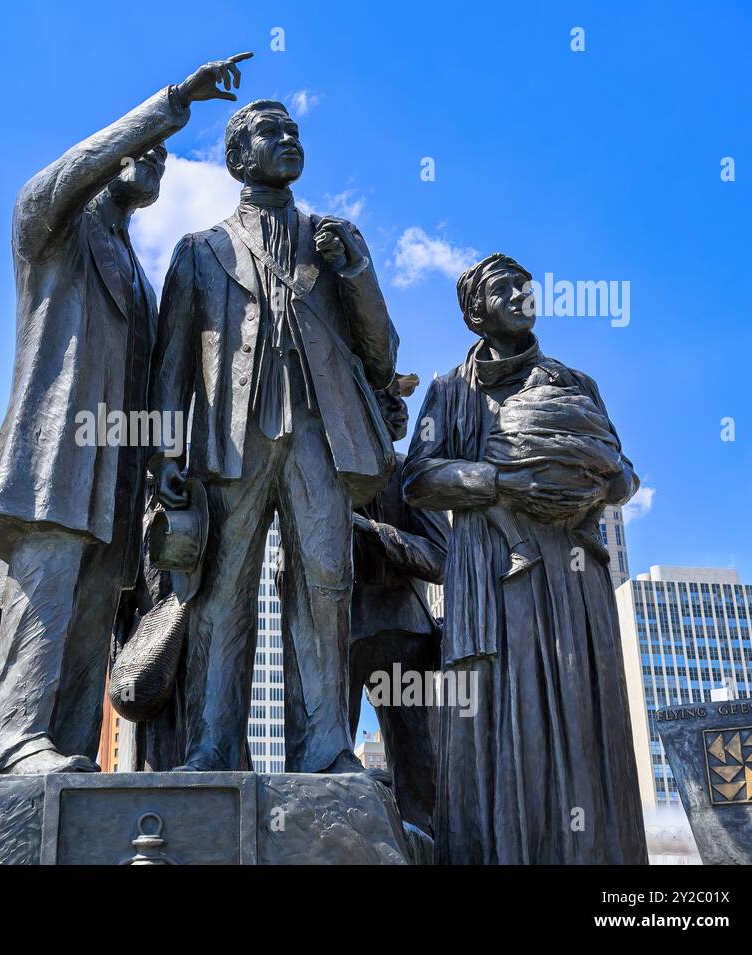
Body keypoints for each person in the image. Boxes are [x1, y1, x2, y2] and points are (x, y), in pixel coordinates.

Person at [0, 53, 255, 775]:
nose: (156, 162)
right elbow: (79, 166)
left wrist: (164, 463)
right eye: (145, 152)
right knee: (45, 590)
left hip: (120, 474)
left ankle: (61, 748)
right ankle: (10, 737)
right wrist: (171, 103)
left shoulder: (134, 265)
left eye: (164, 157)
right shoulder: (51, 228)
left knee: (95, 603)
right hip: (59, 455)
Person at [149, 99, 398, 773]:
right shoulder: (201, 250)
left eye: (293, 130)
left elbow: (382, 357)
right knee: (222, 589)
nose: (288, 139)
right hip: (231, 442)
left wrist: (357, 273)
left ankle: (323, 746)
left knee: (325, 582)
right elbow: (173, 365)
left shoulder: (335, 240)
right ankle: (214, 745)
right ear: (236, 157)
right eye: (269, 131)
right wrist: (166, 454)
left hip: (321, 436)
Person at [402, 253, 647, 864]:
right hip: (493, 573)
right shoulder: (451, 390)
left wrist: (592, 483)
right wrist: (503, 482)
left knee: (578, 701)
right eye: (501, 288)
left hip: (572, 570)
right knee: (501, 712)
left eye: (524, 285)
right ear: (475, 312)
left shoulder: (576, 384)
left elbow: (626, 477)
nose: (518, 294)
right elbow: (419, 481)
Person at [347, 373, 448, 835]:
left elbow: (443, 558)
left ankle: (426, 846)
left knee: (419, 772)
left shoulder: (409, 477)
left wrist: (377, 535)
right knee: (322, 767)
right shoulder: (330, 478)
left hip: (403, 637)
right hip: (340, 636)